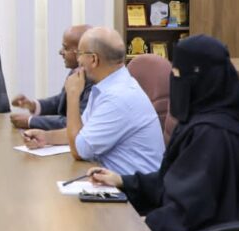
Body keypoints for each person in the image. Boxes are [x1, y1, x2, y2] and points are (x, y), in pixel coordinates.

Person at [88, 35, 239, 231]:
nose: (175, 82)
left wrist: (141, 228)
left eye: (178, 75)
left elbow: (188, 209)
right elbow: (173, 182)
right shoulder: (202, 122)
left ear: (202, 79)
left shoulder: (211, 135)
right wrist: (122, 181)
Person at [23, 27, 163, 175]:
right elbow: (82, 133)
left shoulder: (118, 98)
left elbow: (79, 150)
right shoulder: (106, 87)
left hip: (131, 194)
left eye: (80, 54)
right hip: (111, 180)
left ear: (94, 59)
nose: (78, 60)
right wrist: (46, 137)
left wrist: (73, 95)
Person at [11, 24, 93, 130]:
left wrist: (31, 121)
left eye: (66, 48)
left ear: (80, 51)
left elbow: (76, 123)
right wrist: (32, 105)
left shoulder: (94, 81)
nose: (60, 52)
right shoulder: (76, 72)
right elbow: (61, 101)